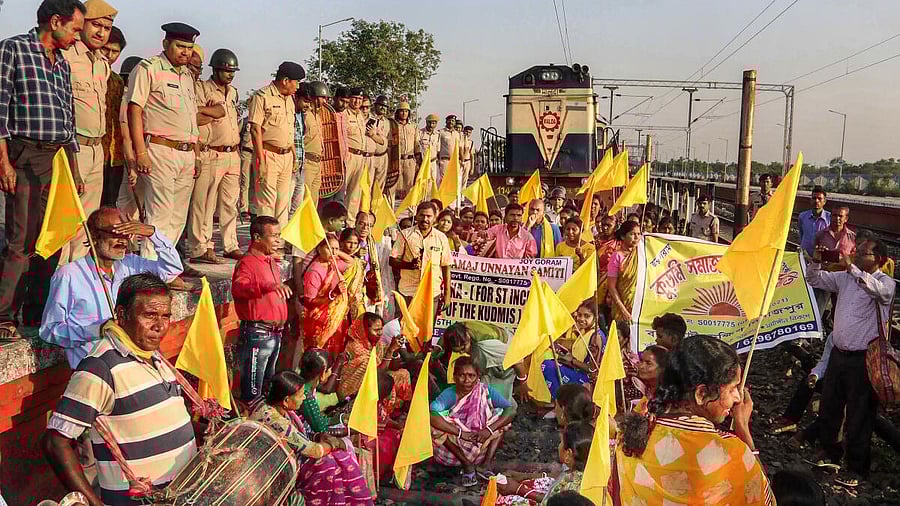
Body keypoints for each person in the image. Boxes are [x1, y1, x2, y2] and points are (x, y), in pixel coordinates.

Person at [43, 273, 197, 506]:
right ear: (122, 315)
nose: (160, 326)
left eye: (166, 316)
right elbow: (55, 442)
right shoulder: (100, 367)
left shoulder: (154, 355)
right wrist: (95, 503)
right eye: (150, 316)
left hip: (181, 494)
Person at [0, 0, 86, 339]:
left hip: (57, 158)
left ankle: (37, 312)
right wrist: (4, 163)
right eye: (76, 29)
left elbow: (69, 121)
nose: (78, 37)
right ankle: (5, 315)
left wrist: (74, 170)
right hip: (24, 154)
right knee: (20, 240)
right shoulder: (14, 50)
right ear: (55, 22)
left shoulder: (61, 64)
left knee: (51, 238)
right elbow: (0, 110)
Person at [618, 335, 774, 505]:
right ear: (701, 394)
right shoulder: (730, 453)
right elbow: (764, 500)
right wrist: (743, 429)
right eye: (732, 389)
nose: (737, 398)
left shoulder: (633, 434)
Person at [40, 207, 183, 368]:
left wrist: (151, 233)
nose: (122, 241)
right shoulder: (69, 275)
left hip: (132, 366)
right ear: (94, 236)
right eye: (115, 234)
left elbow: (172, 269)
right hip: (94, 371)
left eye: (126, 234)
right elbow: (49, 330)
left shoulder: (131, 264)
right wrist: (97, 330)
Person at [804, 239, 895, 486]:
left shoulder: (885, 283)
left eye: (861, 253)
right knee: (830, 407)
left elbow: (881, 293)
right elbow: (814, 279)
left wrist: (851, 269)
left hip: (862, 360)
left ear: (877, 259)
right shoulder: (845, 279)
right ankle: (830, 455)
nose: (854, 255)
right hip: (839, 355)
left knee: (859, 415)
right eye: (855, 252)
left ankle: (856, 468)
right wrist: (816, 260)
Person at [126, 23, 200, 262]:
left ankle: (165, 267)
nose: (185, 52)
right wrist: (141, 152)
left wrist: (196, 155)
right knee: (160, 212)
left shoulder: (188, 76)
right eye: (180, 46)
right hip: (159, 149)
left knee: (178, 216)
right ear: (166, 44)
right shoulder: (148, 69)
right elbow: (134, 109)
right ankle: (149, 269)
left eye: (189, 47)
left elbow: (191, 119)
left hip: (186, 153)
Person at [249, 370, 374, 506]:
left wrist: (318, 436)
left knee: (338, 458)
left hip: (283, 458)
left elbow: (298, 437)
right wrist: (334, 443)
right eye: (301, 395)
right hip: (275, 468)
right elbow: (314, 450)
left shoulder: (273, 409)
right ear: (286, 400)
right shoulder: (274, 419)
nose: (304, 398)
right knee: (331, 462)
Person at [58, 0, 117, 264]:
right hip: (72, 147)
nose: (101, 32)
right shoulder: (67, 57)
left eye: (107, 27)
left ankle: (76, 277)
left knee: (87, 221)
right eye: (96, 25)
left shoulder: (102, 63)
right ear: (82, 24)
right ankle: (57, 280)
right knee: (65, 219)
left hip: (96, 149)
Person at [187, 47, 242, 263]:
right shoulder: (201, 88)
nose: (229, 75)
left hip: (232, 152)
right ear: (215, 69)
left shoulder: (234, 92)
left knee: (230, 203)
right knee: (204, 203)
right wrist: (213, 111)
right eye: (225, 70)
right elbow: (194, 114)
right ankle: (201, 246)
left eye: (232, 71)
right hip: (211, 151)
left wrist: (211, 111)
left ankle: (230, 245)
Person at [430, 356, 515, 486]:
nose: (466, 380)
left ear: (477, 377)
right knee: (435, 425)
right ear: (454, 377)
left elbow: (510, 410)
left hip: (481, 442)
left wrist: (488, 430)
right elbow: (432, 415)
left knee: (502, 417)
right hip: (455, 451)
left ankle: (486, 464)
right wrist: (461, 433)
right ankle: (467, 464)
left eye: (471, 376)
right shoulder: (449, 394)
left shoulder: (485, 390)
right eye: (461, 375)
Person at [232, 216, 291, 403]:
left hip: (274, 334)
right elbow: (239, 288)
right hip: (258, 334)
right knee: (253, 391)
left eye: (279, 235)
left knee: (267, 387)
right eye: (274, 236)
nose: (278, 241)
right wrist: (266, 285)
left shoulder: (270, 261)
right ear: (257, 238)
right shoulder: (247, 262)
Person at [247, 62, 303, 230]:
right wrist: (261, 162)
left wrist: (293, 155)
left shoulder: (290, 100)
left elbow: (289, 130)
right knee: (267, 203)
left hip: (286, 156)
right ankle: (265, 242)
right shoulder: (262, 96)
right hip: (268, 154)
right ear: (285, 80)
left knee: (283, 202)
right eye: (296, 82)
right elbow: (255, 130)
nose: (298, 87)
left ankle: (278, 242)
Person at [496, 420, 593, 505]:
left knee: (505, 501)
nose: (559, 446)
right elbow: (557, 477)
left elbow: (549, 502)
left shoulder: (571, 487)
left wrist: (519, 489)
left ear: (568, 454)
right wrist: (524, 476)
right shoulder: (583, 470)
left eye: (561, 443)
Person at [337, 312, 412, 410]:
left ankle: (397, 411)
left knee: (403, 373)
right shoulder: (356, 347)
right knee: (387, 382)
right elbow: (376, 375)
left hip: (374, 379)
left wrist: (394, 350)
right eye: (376, 330)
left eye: (381, 329)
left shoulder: (377, 344)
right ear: (363, 330)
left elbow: (393, 367)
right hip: (352, 388)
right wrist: (390, 351)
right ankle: (380, 413)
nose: (380, 333)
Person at [390, 201, 453, 306]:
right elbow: (392, 260)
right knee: (405, 323)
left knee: (428, 323)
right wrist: (409, 265)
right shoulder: (405, 235)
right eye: (422, 215)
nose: (425, 219)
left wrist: (447, 295)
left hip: (432, 293)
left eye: (429, 216)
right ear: (417, 216)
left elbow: (446, 266)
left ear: (434, 218)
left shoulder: (441, 238)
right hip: (408, 292)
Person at [542, 301, 604, 399]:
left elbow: (592, 369)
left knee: (547, 365)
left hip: (586, 379)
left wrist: (571, 360)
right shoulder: (585, 331)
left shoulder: (595, 337)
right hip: (577, 370)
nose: (581, 319)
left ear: (595, 317)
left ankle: (559, 402)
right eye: (579, 315)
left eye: (586, 316)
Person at [99, 25, 126, 208]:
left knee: (109, 205)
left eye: (115, 52)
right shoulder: (85, 73)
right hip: (92, 151)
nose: (109, 55)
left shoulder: (118, 81)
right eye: (105, 49)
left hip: (114, 154)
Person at [299, 81, 329, 206]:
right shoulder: (304, 115)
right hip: (307, 162)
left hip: (317, 163)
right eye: (323, 98)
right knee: (304, 198)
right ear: (315, 97)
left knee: (314, 199)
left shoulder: (317, 116)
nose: (325, 101)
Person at [607, 221, 641, 322]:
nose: (636, 237)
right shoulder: (617, 256)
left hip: (638, 305)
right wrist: (623, 310)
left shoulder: (642, 254)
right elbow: (611, 287)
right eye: (632, 234)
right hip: (621, 307)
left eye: (638, 234)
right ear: (623, 236)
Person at [390, 101, 418, 201]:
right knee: (393, 187)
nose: (404, 113)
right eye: (401, 111)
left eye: (406, 111)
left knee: (410, 188)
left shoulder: (413, 126)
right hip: (396, 160)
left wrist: (419, 162)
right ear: (397, 112)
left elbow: (417, 145)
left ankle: (412, 213)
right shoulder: (392, 125)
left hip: (410, 160)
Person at [815, 206, 855, 270]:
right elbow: (815, 255)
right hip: (824, 273)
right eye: (834, 215)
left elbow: (854, 259)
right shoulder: (820, 235)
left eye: (840, 216)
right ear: (830, 216)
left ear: (846, 219)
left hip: (843, 274)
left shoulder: (852, 237)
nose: (837, 218)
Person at [632, 345, 668, 415]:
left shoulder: (668, 400)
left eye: (648, 363)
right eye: (641, 361)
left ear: (662, 368)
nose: (641, 366)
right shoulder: (648, 396)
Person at [797, 186, 830, 256]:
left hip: (821, 256)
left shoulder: (829, 218)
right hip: (805, 255)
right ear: (811, 200)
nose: (816, 201)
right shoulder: (802, 216)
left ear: (824, 201)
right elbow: (801, 233)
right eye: (814, 198)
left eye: (819, 199)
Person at [368, 95, 390, 192]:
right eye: (380, 105)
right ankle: (365, 207)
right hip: (371, 156)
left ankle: (375, 207)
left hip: (383, 156)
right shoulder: (369, 118)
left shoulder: (387, 122)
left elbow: (385, 140)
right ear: (375, 106)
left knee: (379, 186)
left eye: (385, 106)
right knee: (368, 184)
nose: (382, 108)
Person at [437, 114, 460, 186]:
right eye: (449, 120)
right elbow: (437, 146)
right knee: (443, 181)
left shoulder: (457, 134)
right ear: (446, 121)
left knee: (453, 181)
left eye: (453, 121)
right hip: (444, 160)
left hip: (454, 161)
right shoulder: (441, 132)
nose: (451, 122)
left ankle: (451, 197)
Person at [417, 113, 440, 182]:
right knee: (422, 182)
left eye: (434, 123)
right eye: (430, 122)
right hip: (423, 163)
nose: (431, 125)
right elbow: (417, 147)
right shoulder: (420, 133)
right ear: (426, 122)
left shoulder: (437, 135)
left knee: (433, 181)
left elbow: (438, 150)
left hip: (433, 162)